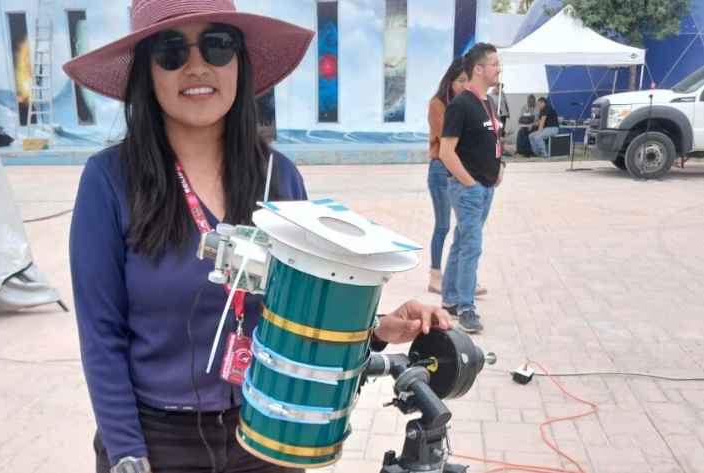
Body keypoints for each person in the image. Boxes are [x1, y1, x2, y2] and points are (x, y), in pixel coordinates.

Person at [64, 1, 454, 472]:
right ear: (148, 71)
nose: (197, 66)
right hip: (156, 442)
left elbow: (302, 317)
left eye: (217, 45)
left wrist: (377, 330)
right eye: (170, 50)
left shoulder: (279, 179)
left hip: (265, 436)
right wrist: (127, 451)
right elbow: (101, 335)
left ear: (239, 62)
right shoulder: (109, 182)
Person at [438, 43, 505, 333]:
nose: (499, 69)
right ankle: (466, 307)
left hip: (486, 187)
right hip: (469, 190)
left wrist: (502, 165)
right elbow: (446, 152)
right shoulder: (461, 105)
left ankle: (451, 299)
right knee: (471, 246)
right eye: (495, 64)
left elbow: (493, 140)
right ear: (479, 69)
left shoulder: (488, 103)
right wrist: (469, 182)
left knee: (462, 241)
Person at [426, 57, 465, 294]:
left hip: (462, 168)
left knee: (465, 226)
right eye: (460, 80)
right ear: (449, 80)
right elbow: (447, 137)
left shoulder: (467, 103)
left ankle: (460, 276)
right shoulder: (437, 104)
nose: (464, 85)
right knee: (443, 225)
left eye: (467, 81)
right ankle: (435, 275)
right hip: (441, 168)